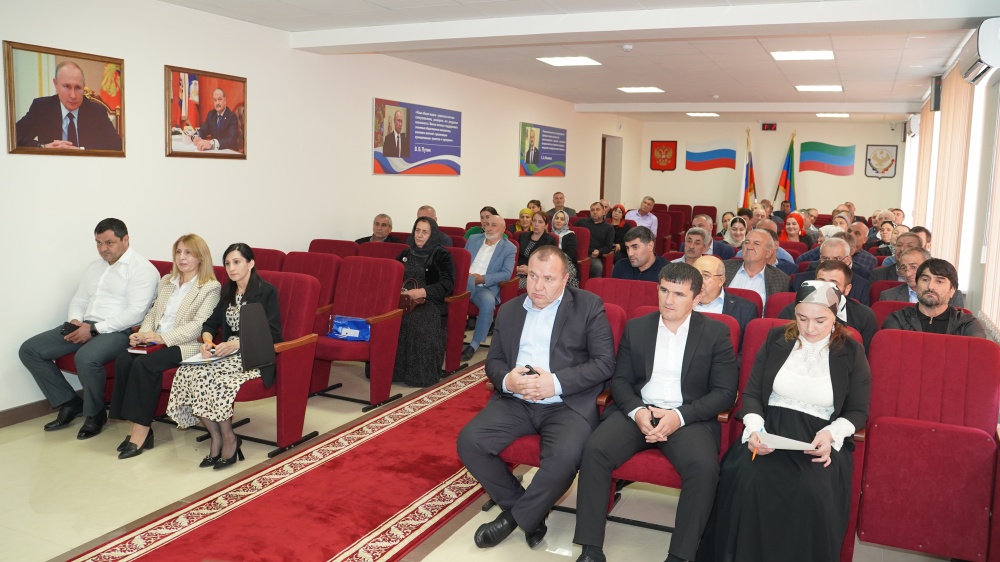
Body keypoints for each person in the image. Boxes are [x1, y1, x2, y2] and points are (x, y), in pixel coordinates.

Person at [574, 263, 738, 562]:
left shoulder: (716, 333)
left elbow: (725, 392)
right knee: (595, 450)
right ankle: (590, 548)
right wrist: (637, 411)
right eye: (664, 290)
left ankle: (680, 555)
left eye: (679, 294)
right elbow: (621, 381)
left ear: (696, 298)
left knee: (703, 468)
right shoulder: (638, 327)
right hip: (639, 410)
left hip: (687, 418)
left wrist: (679, 417)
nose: (668, 300)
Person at [698, 280, 872, 562]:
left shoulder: (851, 351)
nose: (810, 328)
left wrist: (831, 434)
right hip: (770, 430)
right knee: (745, 479)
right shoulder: (777, 338)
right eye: (802, 318)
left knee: (811, 491)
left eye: (820, 320)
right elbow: (752, 394)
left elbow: (858, 411)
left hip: (818, 439)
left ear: (835, 316)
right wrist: (755, 429)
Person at [457, 246, 616, 551]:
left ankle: (512, 519)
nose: (538, 286)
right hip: (515, 401)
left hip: (565, 404)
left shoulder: (588, 305)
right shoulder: (510, 310)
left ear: (565, 279)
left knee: (565, 458)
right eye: (532, 276)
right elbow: (495, 360)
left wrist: (554, 383)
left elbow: (604, 363)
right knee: (470, 442)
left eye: (548, 278)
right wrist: (508, 380)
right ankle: (529, 512)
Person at [20, 218, 158, 439]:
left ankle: (95, 414)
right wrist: (75, 320)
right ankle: (69, 402)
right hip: (86, 323)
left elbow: (135, 313)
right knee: (30, 350)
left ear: (125, 239)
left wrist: (94, 330)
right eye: (98, 243)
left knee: (86, 358)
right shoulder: (94, 267)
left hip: (120, 330)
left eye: (109, 242)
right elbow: (80, 299)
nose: (103, 249)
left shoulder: (142, 269)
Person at [166, 243, 282, 470]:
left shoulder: (266, 291)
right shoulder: (228, 292)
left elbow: (273, 334)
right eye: (227, 264)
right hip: (227, 354)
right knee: (187, 371)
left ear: (251, 263)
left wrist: (236, 343)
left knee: (216, 379)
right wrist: (207, 341)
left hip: (254, 356)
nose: (231, 268)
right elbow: (210, 324)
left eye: (237, 262)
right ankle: (216, 436)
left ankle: (229, 438)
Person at [109, 234, 221, 458]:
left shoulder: (210, 287)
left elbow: (198, 326)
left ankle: (141, 430)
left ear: (200, 257)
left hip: (185, 344)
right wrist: (142, 335)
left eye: (188, 252)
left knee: (144, 365)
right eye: (178, 252)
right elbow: (153, 314)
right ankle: (136, 425)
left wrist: (161, 338)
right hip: (155, 339)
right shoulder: (167, 281)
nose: (182, 257)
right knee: (123, 360)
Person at [394, 217, 456, 385]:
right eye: (417, 230)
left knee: (416, 320)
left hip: (430, 303)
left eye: (425, 232)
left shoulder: (442, 255)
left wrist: (421, 292)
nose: (419, 235)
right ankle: (394, 373)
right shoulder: (405, 254)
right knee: (388, 319)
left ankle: (419, 375)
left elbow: (448, 284)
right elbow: (392, 275)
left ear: (432, 234)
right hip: (403, 301)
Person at [15, 61, 122, 150]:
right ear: (55, 84)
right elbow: (13, 137)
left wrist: (81, 151)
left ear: (84, 86)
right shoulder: (41, 108)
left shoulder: (97, 112)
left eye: (78, 88)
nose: (73, 95)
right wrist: (43, 147)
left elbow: (116, 145)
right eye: (67, 86)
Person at [779, 259, 877, 351]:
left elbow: (865, 356)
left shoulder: (864, 316)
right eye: (820, 282)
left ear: (847, 289)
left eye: (833, 284)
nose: (824, 288)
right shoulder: (792, 310)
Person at [882, 259, 985, 338]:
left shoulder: (967, 325)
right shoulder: (898, 320)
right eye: (925, 279)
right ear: (917, 285)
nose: (930, 286)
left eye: (939, 281)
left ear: (952, 290)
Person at [463, 216, 516, 361]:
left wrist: (483, 278)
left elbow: (506, 274)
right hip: (464, 283)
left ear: (503, 229)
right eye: (487, 224)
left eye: (494, 225)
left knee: (488, 302)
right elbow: (462, 261)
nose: (489, 228)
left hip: (484, 287)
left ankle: (474, 344)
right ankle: (450, 336)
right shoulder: (473, 239)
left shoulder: (509, 248)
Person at [792, 236, 871, 305]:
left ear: (847, 260)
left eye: (837, 259)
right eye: (825, 258)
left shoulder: (861, 286)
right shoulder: (800, 281)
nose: (830, 263)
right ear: (820, 258)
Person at [724, 229, 790, 307]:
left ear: (768, 253)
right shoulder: (724, 267)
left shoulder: (781, 280)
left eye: (756, 244)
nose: (749, 247)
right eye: (747, 242)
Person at [693, 256, 757, 336]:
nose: (698, 280)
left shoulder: (745, 309)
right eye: (695, 274)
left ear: (721, 280)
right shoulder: (680, 302)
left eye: (705, 275)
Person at [878, 248, 965, 307]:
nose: (907, 274)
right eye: (903, 268)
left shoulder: (953, 295)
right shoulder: (888, 296)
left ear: (927, 266)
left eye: (913, 267)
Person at [515, 213, 558, 289]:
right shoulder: (523, 236)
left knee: (513, 285)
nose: (536, 224)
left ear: (546, 225)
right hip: (518, 271)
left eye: (540, 222)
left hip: (536, 275)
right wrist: (517, 268)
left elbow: (548, 263)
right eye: (534, 221)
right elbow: (517, 256)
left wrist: (530, 270)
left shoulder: (550, 240)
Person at [575, 202, 615, 278]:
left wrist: (599, 251)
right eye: (592, 210)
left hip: (593, 256)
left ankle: (593, 285)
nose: (595, 212)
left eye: (597, 210)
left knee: (597, 267)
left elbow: (608, 247)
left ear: (603, 212)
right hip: (578, 252)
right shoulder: (582, 222)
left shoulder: (609, 228)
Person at [551, 210, 580, 287]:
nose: (558, 221)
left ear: (565, 222)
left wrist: (556, 260)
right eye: (556, 218)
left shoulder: (570, 235)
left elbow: (570, 253)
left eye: (562, 219)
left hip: (566, 263)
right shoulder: (548, 234)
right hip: (550, 262)